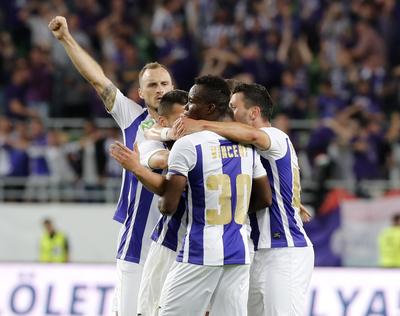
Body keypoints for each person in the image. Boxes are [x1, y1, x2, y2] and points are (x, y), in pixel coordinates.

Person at [113, 75, 272, 315]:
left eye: (190, 103)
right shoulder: (245, 143)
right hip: (236, 247)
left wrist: (137, 168)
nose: (186, 112)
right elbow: (264, 198)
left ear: (209, 108)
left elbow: (167, 202)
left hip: (191, 246)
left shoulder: (187, 146)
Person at [48, 16, 175, 315]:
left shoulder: (191, 129)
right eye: (152, 85)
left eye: (165, 83)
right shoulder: (132, 117)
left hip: (176, 248)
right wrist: (66, 37)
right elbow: (98, 80)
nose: (159, 89)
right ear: (140, 94)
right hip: (136, 246)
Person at [176, 82, 314, 316]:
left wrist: (201, 124)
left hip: (284, 250)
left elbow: (252, 135)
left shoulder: (274, 136)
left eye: (234, 107)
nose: (230, 113)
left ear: (254, 112)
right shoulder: (243, 147)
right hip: (255, 251)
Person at [111, 89, 188, 316]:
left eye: (164, 83)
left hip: (194, 248)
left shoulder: (196, 140)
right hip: (155, 245)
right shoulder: (147, 139)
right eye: (153, 84)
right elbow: (163, 181)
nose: (186, 124)